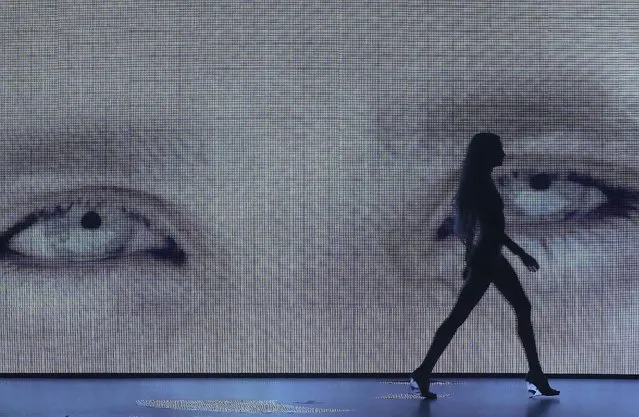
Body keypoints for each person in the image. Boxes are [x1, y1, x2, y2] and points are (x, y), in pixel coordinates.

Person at [409, 132, 560, 399]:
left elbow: (478, 229)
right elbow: (489, 229)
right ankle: (422, 371)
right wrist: (519, 255)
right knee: (460, 317)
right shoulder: (480, 184)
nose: (503, 154)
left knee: (513, 309)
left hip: (489, 259)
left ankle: (536, 373)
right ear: (487, 154)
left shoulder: (478, 182)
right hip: (488, 260)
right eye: (498, 149)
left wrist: (476, 257)